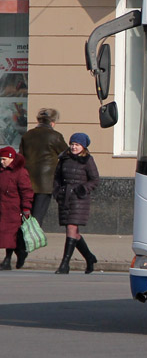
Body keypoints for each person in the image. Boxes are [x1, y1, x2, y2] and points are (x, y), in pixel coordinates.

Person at [52, 133, 100, 275]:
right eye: (72, 144)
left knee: (71, 228)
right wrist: (57, 192)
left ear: (83, 147)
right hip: (65, 197)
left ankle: (64, 264)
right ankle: (90, 258)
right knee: (74, 232)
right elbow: (57, 177)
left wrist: (82, 189)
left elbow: (95, 180)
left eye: (77, 145)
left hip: (79, 199)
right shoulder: (63, 159)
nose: (74, 147)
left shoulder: (88, 160)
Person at [19, 107, 67, 227]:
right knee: (38, 217)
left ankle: (21, 243)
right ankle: (30, 242)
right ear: (52, 123)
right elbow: (66, 155)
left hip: (27, 181)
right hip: (45, 184)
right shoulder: (55, 136)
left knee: (25, 215)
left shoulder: (27, 135)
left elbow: (20, 157)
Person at [0, 146, 33, 270]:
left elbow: (26, 191)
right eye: (0, 159)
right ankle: (21, 253)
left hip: (14, 208)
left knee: (11, 235)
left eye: (4, 159)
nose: (2, 162)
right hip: (2, 207)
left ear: (11, 159)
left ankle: (7, 260)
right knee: (6, 235)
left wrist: (26, 208)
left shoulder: (20, 172)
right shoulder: (1, 171)